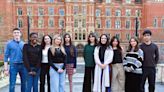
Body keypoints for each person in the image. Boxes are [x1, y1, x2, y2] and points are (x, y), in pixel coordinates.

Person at [4, 28, 26, 92]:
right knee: (12, 84)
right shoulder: (9, 44)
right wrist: (6, 69)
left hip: (23, 66)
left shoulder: (24, 44)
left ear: (20, 34)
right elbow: (6, 56)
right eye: (15, 32)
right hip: (13, 65)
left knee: (24, 83)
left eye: (18, 32)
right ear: (13, 34)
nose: (16, 34)